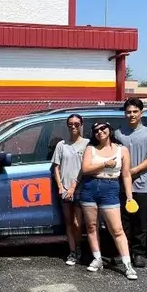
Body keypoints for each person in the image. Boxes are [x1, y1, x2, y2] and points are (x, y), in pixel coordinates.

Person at [77, 121, 137, 279]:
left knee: (117, 229)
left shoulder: (122, 150)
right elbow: (85, 169)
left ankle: (127, 264)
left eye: (103, 128)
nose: (100, 132)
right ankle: (97, 259)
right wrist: (105, 164)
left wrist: (129, 197)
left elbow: (126, 174)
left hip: (110, 187)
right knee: (91, 227)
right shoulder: (90, 149)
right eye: (96, 130)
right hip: (90, 187)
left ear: (110, 130)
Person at [114, 98, 147, 268]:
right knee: (123, 221)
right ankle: (123, 252)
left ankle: (139, 253)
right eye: (128, 112)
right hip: (121, 184)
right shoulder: (118, 134)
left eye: (135, 111)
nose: (131, 115)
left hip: (142, 184)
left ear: (141, 113)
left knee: (140, 222)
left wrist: (133, 171)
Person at [51, 113, 89, 266]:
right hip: (65, 189)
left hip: (81, 188)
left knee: (77, 223)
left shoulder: (87, 144)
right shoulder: (61, 145)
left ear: (81, 124)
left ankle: (79, 247)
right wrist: (60, 186)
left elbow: (85, 168)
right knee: (68, 222)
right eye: (70, 124)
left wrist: (74, 186)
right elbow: (56, 167)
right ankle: (72, 251)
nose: (73, 126)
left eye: (76, 124)